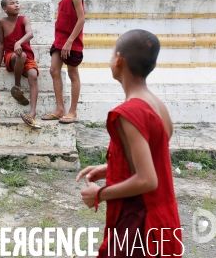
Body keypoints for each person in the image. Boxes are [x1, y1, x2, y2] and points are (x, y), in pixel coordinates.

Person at [76, 30, 183, 257]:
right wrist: (109, 169)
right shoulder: (157, 105)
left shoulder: (129, 112)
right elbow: (155, 156)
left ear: (119, 59)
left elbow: (147, 179)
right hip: (164, 217)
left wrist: (100, 194)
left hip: (141, 223)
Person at [41, 0, 85, 124]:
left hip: (71, 41)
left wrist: (69, 42)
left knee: (73, 74)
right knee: (54, 70)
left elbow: (81, 20)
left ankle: (72, 111)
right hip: (60, 39)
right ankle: (60, 109)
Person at [0, 0, 40, 128]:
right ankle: (17, 85)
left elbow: (30, 34)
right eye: (12, 3)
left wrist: (19, 42)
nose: (16, 5)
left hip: (26, 56)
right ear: (5, 9)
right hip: (11, 57)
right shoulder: (1, 22)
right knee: (20, 55)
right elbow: (1, 44)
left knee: (33, 75)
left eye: (17, 3)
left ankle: (32, 113)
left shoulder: (23, 19)